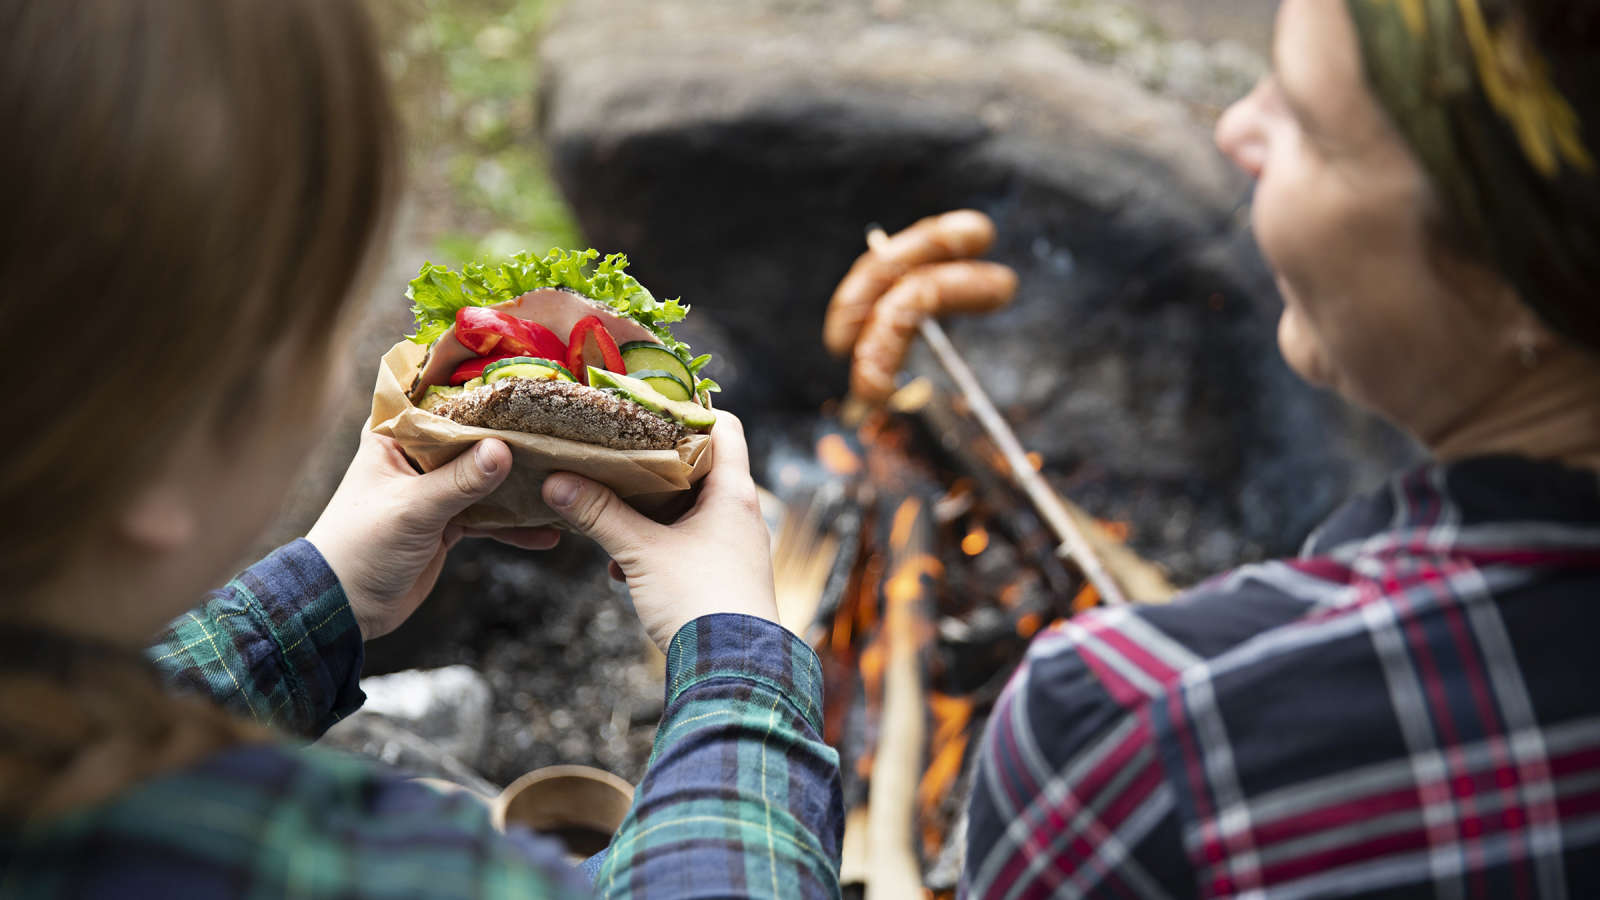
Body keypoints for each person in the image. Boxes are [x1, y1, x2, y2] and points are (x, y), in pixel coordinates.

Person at [0, 2, 841, 898]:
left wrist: (315, 597)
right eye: (332, 319)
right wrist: (737, 657)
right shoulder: (379, 866)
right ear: (155, 454)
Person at [822, 0, 1600, 895]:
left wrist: (729, 658)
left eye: (1306, 122)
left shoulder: (1130, 736)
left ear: (1520, 272)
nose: (1236, 128)